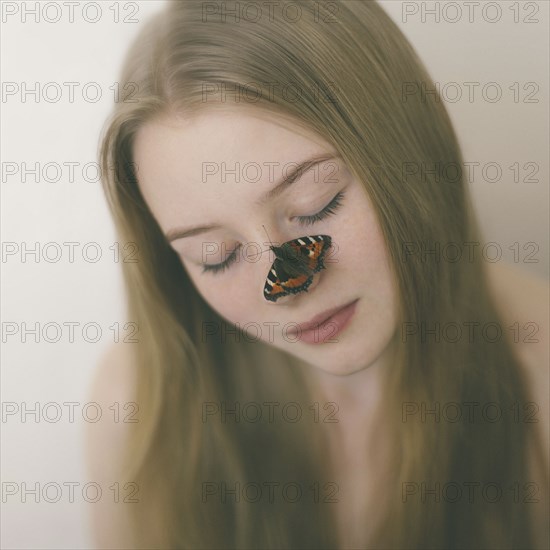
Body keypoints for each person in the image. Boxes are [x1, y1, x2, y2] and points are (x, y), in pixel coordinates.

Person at [87, 1, 549, 548]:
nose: (287, 286)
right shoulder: (140, 404)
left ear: (409, 152)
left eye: (318, 205)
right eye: (217, 254)